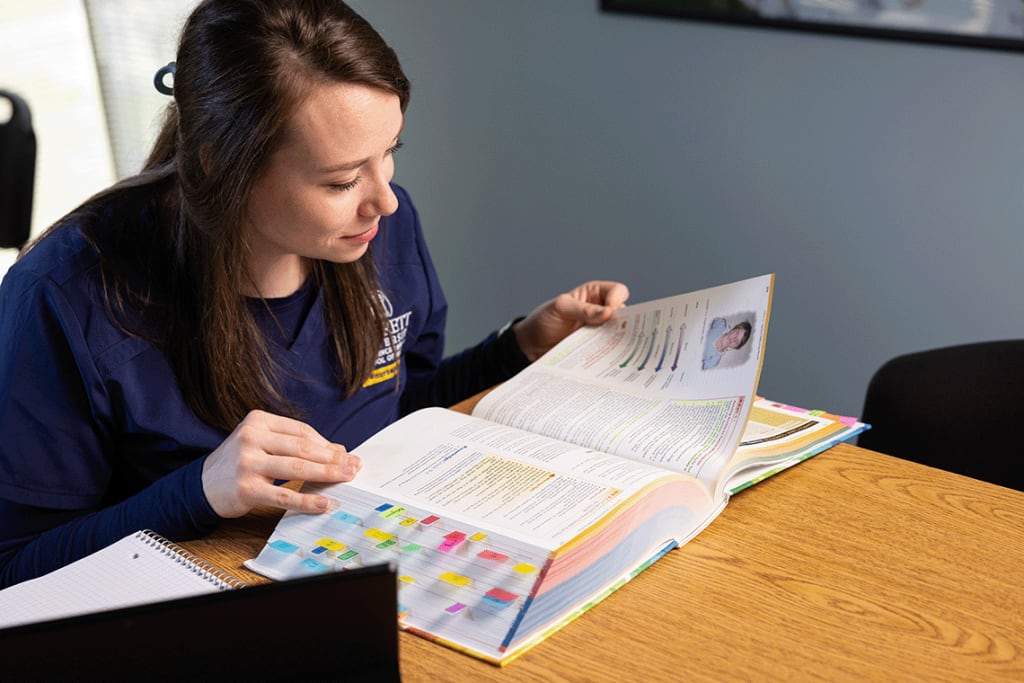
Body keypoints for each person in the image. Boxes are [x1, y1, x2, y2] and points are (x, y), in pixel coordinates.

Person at [0, 0, 628, 588]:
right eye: (342, 180)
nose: (384, 198)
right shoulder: (65, 301)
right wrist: (198, 492)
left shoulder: (378, 227)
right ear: (223, 163)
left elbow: (397, 411)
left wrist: (516, 347)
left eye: (390, 154)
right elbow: (15, 569)